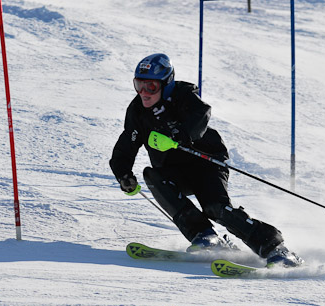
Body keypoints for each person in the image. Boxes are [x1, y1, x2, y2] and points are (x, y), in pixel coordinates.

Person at [109, 53, 302, 267]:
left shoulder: (183, 95)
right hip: (174, 170)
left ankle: (276, 249)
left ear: (166, 83)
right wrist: (123, 174)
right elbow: (127, 143)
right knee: (152, 176)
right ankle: (205, 236)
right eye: (138, 85)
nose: (143, 93)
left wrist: (180, 136)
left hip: (206, 163)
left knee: (215, 208)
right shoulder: (137, 111)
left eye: (151, 87)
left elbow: (201, 114)